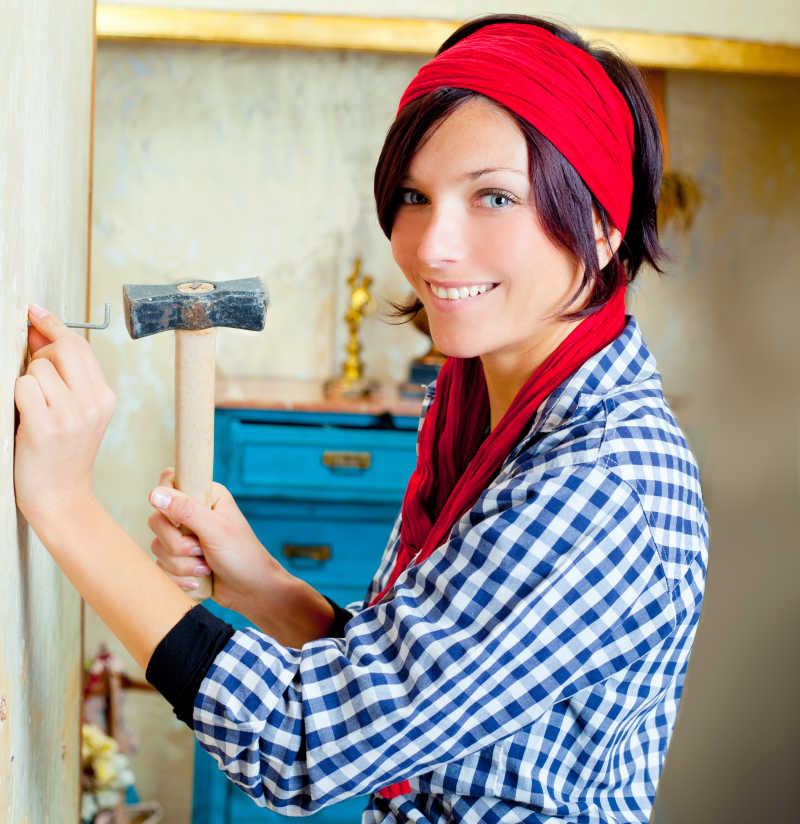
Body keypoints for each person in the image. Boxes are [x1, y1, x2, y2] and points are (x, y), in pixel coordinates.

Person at [14, 14, 708, 824]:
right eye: (414, 196)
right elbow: (407, 687)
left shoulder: (600, 487)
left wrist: (66, 507)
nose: (433, 246)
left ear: (599, 219)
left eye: (494, 196)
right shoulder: (484, 408)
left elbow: (301, 743)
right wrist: (264, 585)